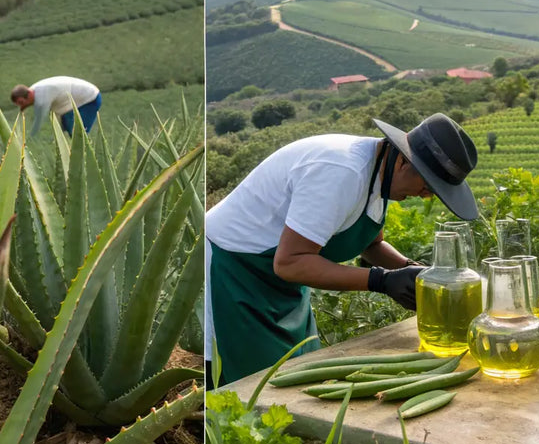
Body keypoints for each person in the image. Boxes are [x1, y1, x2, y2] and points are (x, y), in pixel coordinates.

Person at [204, 113, 480, 387]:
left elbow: (371, 245)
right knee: (255, 386)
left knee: (300, 375)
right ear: (404, 163)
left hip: (283, 282)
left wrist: (415, 272)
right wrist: (382, 281)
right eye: (428, 185)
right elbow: (289, 263)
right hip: (235, 271)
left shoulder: (380, 174)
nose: (426, 196)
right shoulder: (342, 172)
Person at [10, 76, 102, 136]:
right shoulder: (34, 89)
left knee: (78, 135)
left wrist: (29, 139)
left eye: (22, 102)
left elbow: (39, 120)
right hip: (69, 104)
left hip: (89, 99)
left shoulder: (42, 99)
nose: (22, 106)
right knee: (67, 128)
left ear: (29, 94)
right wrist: (23, 108)